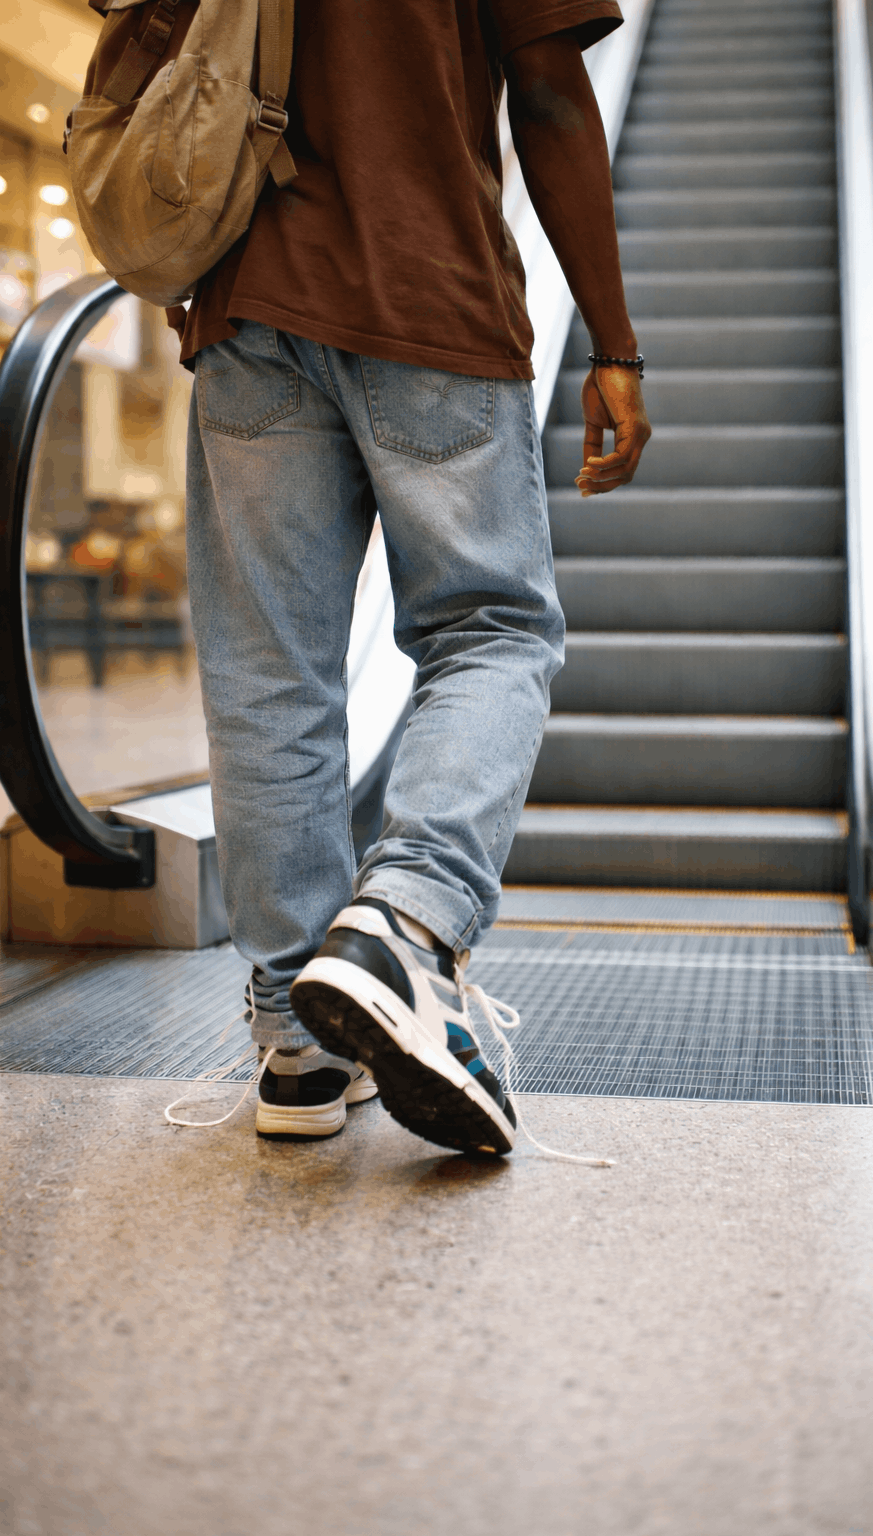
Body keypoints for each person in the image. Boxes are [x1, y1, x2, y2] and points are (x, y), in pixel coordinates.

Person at [171, 0, 651, 1154]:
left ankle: (298, 1041)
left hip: (245, 309)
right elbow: (544, 89)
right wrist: (615, 342)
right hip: (428, 297)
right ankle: (405, 919)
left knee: (269, 674)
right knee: (490, 632)